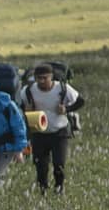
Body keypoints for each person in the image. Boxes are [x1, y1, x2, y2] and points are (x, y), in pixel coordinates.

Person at [19, 63, 84, 194]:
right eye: (39, 78)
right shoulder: (28, 90)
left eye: (45, 78)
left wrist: (66, 109)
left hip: (59, 132)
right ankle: (43, 189)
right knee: (40, 165)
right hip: (38, 132)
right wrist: (27, 109)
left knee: (59, 163)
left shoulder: (63, 88)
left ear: (51, 77)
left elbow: (80, 101)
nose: (42, 81)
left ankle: (59, 187)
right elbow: (21, 105)